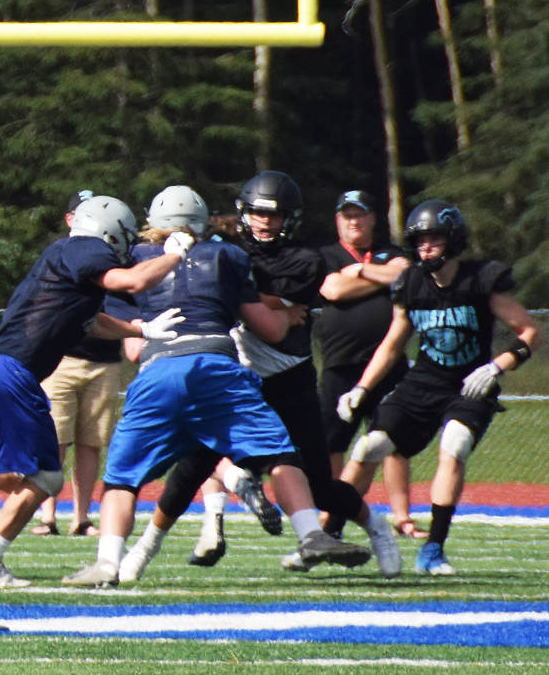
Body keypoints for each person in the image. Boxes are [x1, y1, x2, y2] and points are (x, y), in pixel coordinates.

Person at [62, 185, 374, 587]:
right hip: (218, 366)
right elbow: (266, 327)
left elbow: (134, 348)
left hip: (159, 368)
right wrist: (288, 315)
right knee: (280, 455)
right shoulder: (228, 255)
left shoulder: (134, 260)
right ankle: (311, 535)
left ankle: (107, 563)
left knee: (122, 478)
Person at [0, 194, 188, 588]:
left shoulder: (67, 262)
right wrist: (174, 254)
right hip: (14, 373)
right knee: (48, 479)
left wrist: (140, 329)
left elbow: (93, 322)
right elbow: (132, 280)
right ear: (110, 233)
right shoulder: (82, 248)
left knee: (15, 474)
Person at [335, 200, 539, 576]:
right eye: (420, 239)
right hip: (424, 381)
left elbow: (530, 331)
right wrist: (361, 389)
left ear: (453, 240)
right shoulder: (411, 281)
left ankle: (433, 548)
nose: (426, 246)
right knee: (369, 446)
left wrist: (497, 366)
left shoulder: (480, 279)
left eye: (435, 238)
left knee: (455, 443)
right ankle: (327, 531)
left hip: (469, 383)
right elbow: (393, 344)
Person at [315, 189, 417, 534]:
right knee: (331, 442)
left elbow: (404, 276)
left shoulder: (394, 253)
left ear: (373, 218)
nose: (354, 221)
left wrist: (358, 272)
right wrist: (376, 274)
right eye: (347, 215)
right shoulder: (326, 255)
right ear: (337, 221)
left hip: (388, 363)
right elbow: (333, 290)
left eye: (360, 214)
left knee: (392, 439)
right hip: (340, 363)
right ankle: (328, 515)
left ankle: (402, 515)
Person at [28, 191, 129, 538]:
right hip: (63, 359)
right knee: (54, 439)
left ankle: (82, 517)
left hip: (104, 361)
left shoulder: (115, 257)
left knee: (92, 442)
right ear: (70, 218)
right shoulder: (64, 253)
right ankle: (47, 514)